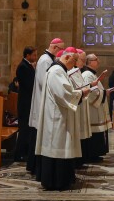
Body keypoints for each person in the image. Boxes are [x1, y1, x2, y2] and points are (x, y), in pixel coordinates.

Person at [33, 48, 90, 191]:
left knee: (60, 147)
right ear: (67, 57)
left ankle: (62, 180)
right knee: (58, 147)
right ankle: (57, 181)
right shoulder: (56, 71)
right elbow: (64, 94)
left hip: (59, 115)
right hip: (57, 118)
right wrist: (81, 93)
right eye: (74, 60)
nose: (75, 63)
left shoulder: (59, 70)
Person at [27, 38, 65, 174]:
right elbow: (44, 82)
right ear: (55, 47)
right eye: (61, 49)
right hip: (42, 102)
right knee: (38, 136)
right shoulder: (45, 60)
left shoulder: (49, 59)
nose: (61, 52)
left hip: (45, 100)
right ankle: (35, 166)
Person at [82, 53, 110, 162]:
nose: (98, 61)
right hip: (92, 109)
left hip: (96, 108)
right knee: (94, 132)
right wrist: (104, 93)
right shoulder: (87, 75)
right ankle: (92, 155)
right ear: (89, 62)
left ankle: (96, 154)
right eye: (95, 59)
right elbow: (91, 93)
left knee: (97, 132)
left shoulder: (92, 74)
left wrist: (103, 92)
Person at [14, 46, 37, 162]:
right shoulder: (23, 66)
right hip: (25, 102)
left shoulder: (28, 65)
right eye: (34, 55)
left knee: (27, 129)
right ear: (27, 55)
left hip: (28, 101)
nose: (35, 57)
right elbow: (29, 84)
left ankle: (25, 152)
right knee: (23, 129)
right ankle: (19, 154)